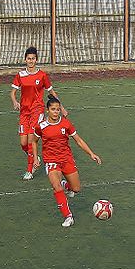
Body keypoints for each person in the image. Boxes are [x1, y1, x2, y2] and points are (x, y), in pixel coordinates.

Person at [31, 95, 101, 227]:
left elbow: (79, 140)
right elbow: (34, 141)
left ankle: (66, 185)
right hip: (51, 161)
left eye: (58, 109)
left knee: (76, 189)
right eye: (53, 109)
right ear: (47, 110)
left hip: (66, 159)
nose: (56, 112)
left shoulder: (66, 124)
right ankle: (68, 216)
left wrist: (91, 153)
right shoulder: (41, 126)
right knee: (56, 186)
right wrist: (35, 158)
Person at [10, 47, 66, 180]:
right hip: (24, 112)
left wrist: (61, 107)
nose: (31, 61)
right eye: (28, 58)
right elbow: (12, 92)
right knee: (23, 143)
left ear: (36, 60)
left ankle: (30, 169)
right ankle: (35, 156)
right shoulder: (20, 75)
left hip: (37, 110)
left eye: (33, 59)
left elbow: (51, 92)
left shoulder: (42, 75)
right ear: (25, 59)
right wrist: (14, 101)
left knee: (30, 140)